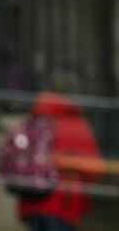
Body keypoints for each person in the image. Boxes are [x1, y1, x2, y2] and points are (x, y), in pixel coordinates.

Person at [18, 75, 104, 231]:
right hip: (63, 204)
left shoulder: (35, 118)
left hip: (31, 203)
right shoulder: (74, 124)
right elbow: (94, 169)